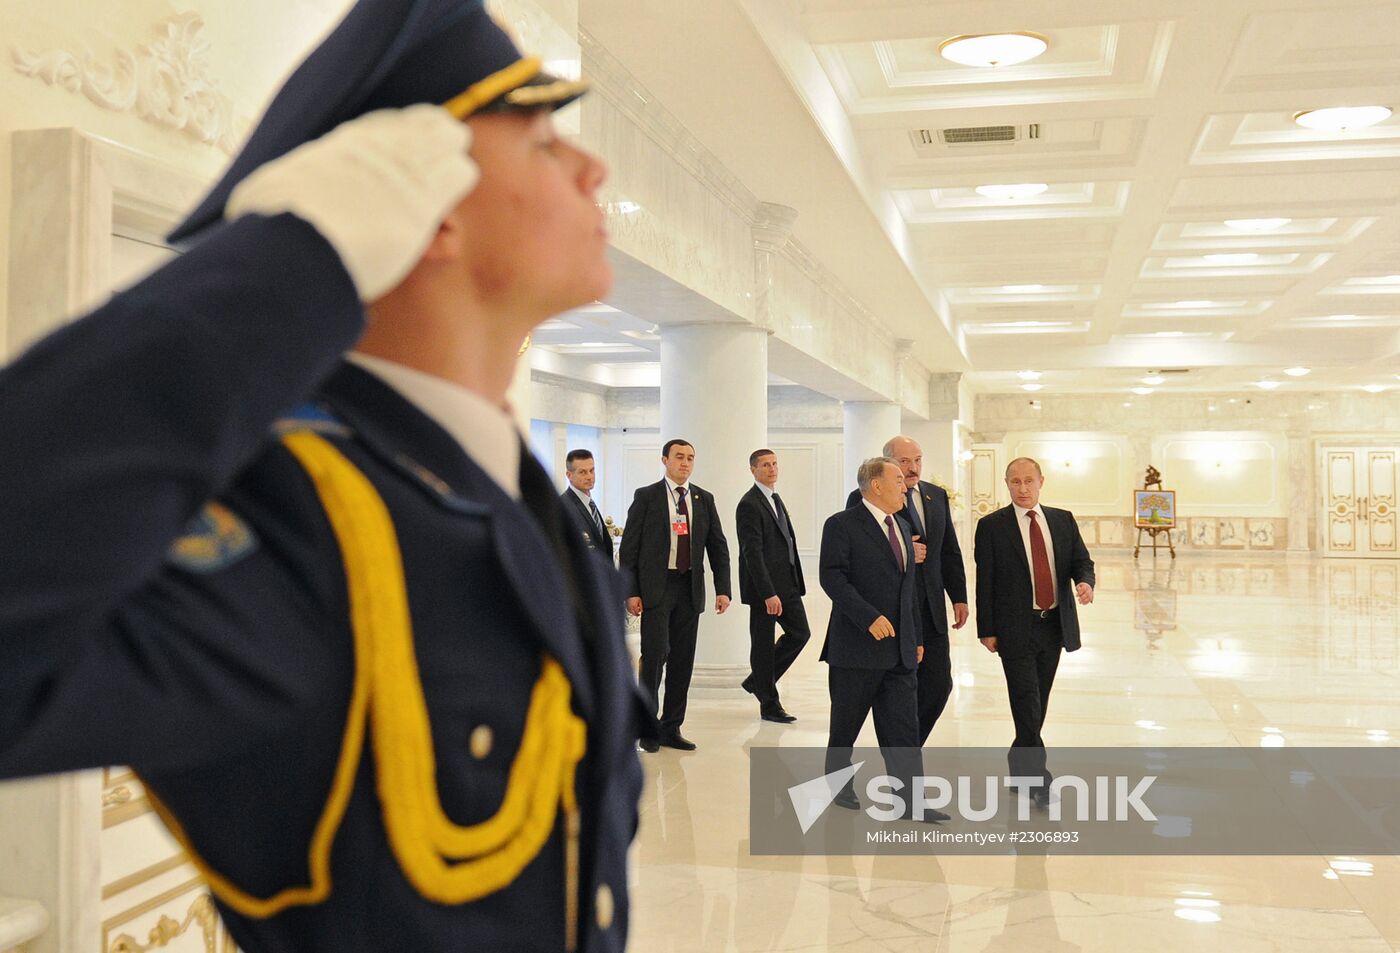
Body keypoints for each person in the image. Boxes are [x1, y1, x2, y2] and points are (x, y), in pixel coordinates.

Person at [0, 2, 643, 950]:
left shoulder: (506, 491)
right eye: (544, 141)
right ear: (426, 213)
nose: (595, 169)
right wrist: (289, 261)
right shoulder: (299, 520)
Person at [820, 458, 941, 821]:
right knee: (846, 727)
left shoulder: (903, 527)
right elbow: (832, 578)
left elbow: (909, 590)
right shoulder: (842, 525)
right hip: (855, 649)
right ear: (876, 486)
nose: (905, 486)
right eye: (899, 479)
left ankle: (910, 800)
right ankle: (837, 785)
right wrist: (867, 617)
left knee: (903, 730)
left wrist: (916, 637)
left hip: (900, 651)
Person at [974, 456, 1095, 808]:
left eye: (1028, 481)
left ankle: (1018, 762)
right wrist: (987, 629)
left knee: (1037, 701)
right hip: (1015, 627)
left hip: (1053, 625)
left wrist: (1085, 583)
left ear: (1042, 481)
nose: (1022, 488)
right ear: (1006, 483)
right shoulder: (992, 526)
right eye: (1015, 482)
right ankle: (1037, 779)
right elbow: (986, 581)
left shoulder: (1061, 520)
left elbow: (1080, 561)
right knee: (1025, 700)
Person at [845, 436, 967, 744]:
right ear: (887, 463)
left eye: (917, 460)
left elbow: (948, 550)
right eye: (904, 462)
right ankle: (903, 754)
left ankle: (909, 746)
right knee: (901, 688)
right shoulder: (862, 498)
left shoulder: (935, 495)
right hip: (894, 610)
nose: (912, 468)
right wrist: (901, 549)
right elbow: (860, 547)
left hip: (931, 608)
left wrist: (959, 597)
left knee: (939, 685)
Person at [619, 439, 732, 752]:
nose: (685, 463)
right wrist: (631, 591)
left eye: (690, 458)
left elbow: (718, 547)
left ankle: (672, 727)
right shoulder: (647, 496)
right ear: (665, 460)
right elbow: (629, 547)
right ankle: (647, 727)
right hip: (657, 587)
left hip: (689, 588)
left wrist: (723, 589)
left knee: (683, 661)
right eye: (679, 457)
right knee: (655, 656)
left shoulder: (703, 499)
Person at [735, 448, 809, 723]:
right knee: (763, 645)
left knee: (801, 634)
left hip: (787, 585)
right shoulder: (749, 504)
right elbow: (751, 552)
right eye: (765, 465)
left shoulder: (775, 499)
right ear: (753, 470)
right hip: (765, 590)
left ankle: (758, 680)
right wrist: (768, 593)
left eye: (774, 464)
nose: (772, 469)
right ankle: (769, 704)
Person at [563, 448, 612, 552]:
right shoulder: (564, 506)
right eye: (583, 472)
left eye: (592, 470)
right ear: (569, 475)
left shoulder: (590, 504)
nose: (589, 477)